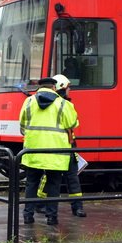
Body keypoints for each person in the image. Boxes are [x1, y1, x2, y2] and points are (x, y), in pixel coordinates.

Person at [20, 77, 78, 226]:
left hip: (33, 150)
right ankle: (52, 218)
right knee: (54, 185)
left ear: (39, 88)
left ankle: (28, 216)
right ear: (54, 87)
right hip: (56, 151)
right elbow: (72, 123)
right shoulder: (63, 103)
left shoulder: (29, 101)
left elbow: (22, 123)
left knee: (31, 183)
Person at [36, 74, 86, 217]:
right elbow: (73, 123)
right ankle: (41, 203)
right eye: (68, 88)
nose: (70, 91)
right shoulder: (63, 104)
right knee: (55, 177)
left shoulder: (59, 103)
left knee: (71, 177)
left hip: (67, 145)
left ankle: (77, 206)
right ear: (62, 88)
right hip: (61, 145)